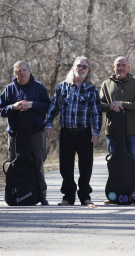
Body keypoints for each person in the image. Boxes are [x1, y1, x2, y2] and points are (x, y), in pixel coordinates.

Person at [45, 56, 102, 206]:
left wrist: (96, 132)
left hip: (84, 133)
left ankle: (85, 196)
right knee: (65, 166)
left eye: (84, 66)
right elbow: (54, 107)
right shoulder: (62, 87)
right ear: (73, 67)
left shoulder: (92, 90)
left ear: (88, 70)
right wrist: (48, 124)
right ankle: (68, 196)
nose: (81, 69)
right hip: (66, 132)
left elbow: (96, 113)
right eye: (79, 66)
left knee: (86, 165)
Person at [0, 60, 51, 205]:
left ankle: (40, 194)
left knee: (37, 163)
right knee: (14, 164)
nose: (21, 73)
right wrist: (14, 107)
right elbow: (1, 111)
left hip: (35, 134)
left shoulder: (38, 87)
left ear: (29, 71)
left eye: (24, 70)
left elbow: (48, 106)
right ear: (15, 73)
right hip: (15, 135)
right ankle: (16, 193)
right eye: (18, 71)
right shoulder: (9, 89)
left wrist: (31, 104)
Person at [100, 56, 135, 204]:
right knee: (114, 163)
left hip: (131, 131)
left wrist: (122, 104)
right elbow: (100, 105)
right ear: (113, 67)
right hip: (112, 131)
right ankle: (115, 193)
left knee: (133, 161)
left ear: (128, 68)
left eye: (123, 65)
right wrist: (110, 106)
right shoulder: (106, 84)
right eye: (118, 65)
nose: (121, 68)